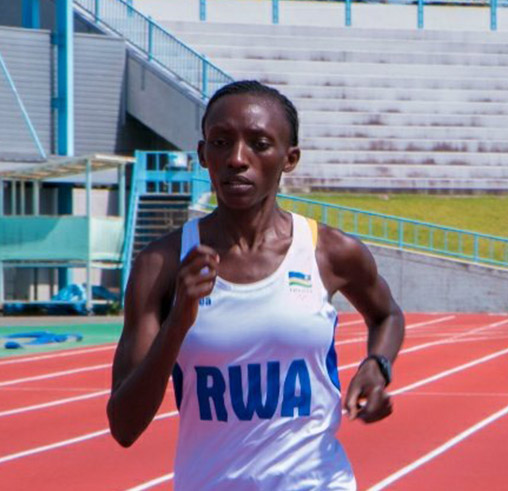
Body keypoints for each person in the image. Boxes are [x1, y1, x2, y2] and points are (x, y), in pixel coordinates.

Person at [107, 80, 405, 490]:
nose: (237, 159)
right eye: (221, 142)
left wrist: (377, 365)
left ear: (290, 158)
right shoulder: (160, 265)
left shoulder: (329, 252)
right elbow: (124, 426)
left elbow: (386, 314)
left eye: (260, 144)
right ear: (202, 155)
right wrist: (179, 321)